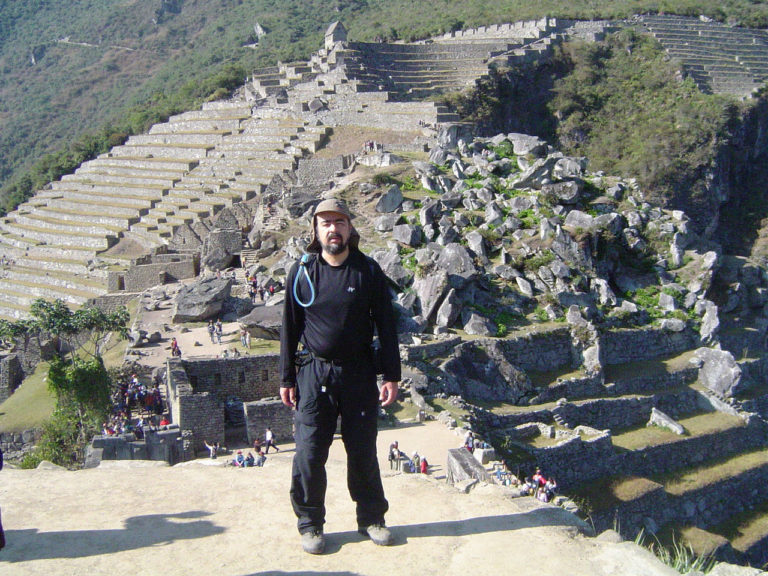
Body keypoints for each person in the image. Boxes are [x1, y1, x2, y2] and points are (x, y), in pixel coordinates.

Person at [280, 198, 400, 555]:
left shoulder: (368, 271)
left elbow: (386, 327)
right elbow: (289, 327)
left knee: (363, 449)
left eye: (340, 222)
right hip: (314, 374)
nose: (333, 229)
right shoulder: (303, 272)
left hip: (359, 373)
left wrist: (391, 375)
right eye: (326, 223)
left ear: (350, 228)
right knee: (309, 452)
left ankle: (372, 518)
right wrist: (286, 378)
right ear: (316, 231)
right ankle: (310, 524)